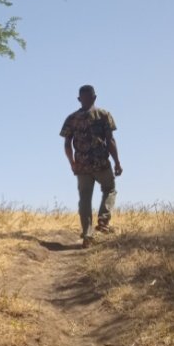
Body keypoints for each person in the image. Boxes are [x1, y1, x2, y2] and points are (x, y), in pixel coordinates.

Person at [60, 85, 123, 248]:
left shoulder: (72, 118)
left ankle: (88, 235)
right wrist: (117, 162)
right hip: (101, 163)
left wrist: (72, 163)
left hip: (82, 166)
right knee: (109, 189)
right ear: (95, 97)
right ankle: (103, 220)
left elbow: (67, 144)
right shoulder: (103, 115)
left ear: (79, 99)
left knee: (85, 199)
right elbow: (110, 141)